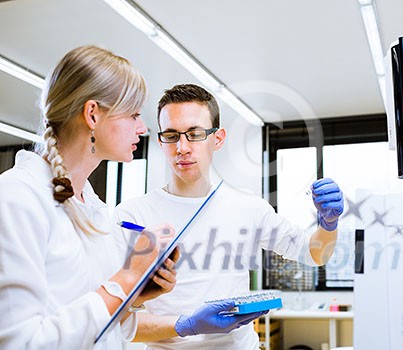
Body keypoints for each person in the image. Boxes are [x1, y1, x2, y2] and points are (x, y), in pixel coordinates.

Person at [0, 46, 264, 350]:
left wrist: (139, 296)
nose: (142, 128)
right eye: (134, 115)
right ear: (93, 114)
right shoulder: (17, 198)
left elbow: (98, 321)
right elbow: (19, 342)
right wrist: (127, 277)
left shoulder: (93, 208)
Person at [114, 83, 344, 349]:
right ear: (160, 140)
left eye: (195, 134)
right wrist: (186, 324)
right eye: (172, 135)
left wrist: (328, 224)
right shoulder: (132, 215)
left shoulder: (247, 206)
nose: (183, 147)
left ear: (218, 138)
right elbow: (119, 322)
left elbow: (314, 253)